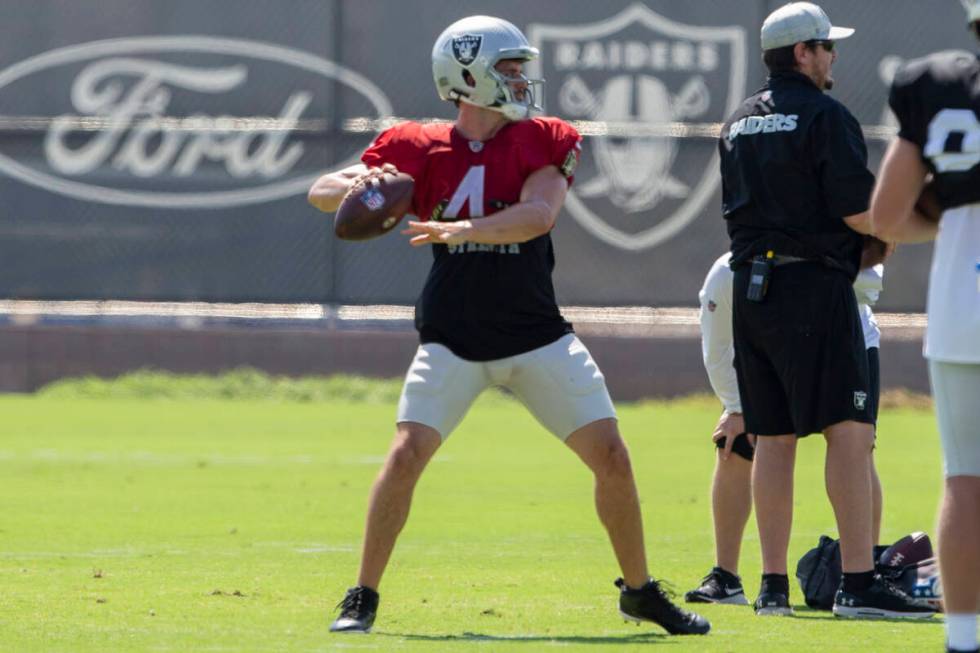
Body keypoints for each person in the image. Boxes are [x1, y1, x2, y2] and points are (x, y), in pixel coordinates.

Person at [307, 15, 709, 636]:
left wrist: (464, 229)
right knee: (407, 452)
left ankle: (639, 591)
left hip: (535, 334)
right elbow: (320, 191)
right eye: (510, 68)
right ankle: (361, 595)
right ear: (468, 77)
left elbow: (538, 215)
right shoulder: (416, 145)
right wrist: (362, 182)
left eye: (521, 67)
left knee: (612, 456)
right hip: (453, 336)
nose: (523, 79)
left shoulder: (544, 139)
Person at [717, 2, 932, 618]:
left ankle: (771, 589)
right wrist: (930, 221)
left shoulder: (735, 122)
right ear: (803, 54)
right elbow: (861, 215)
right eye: (825, 46)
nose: (834, 55)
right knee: (850, 431)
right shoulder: (826, 115)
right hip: (814, 288)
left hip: (751, 293)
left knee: (774, 438)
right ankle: (858, 583)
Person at [684, 253, 887, 605]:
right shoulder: (727, 274)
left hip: (845, 341)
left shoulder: (827, 247)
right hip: (775, 342)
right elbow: (716, 348)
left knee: (856, 446)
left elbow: (870, 284)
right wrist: (735, 407)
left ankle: (862, 576)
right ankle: (727, 577)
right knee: (737, 441)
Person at [870, 2, 980, 650]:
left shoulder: (937, 87)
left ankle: (964, 638)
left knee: (965, 475)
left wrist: (950, 217)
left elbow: (886, 215)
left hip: (964, 290)